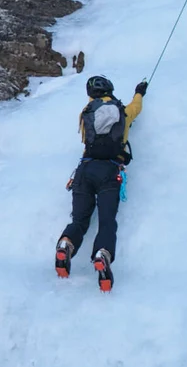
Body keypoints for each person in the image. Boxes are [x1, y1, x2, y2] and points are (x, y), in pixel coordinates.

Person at [56, 74, 145, 291]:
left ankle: (66, 243)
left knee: (79, 220)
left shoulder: (86, 113)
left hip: (85, 170)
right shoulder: (122, 112)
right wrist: (139, 92)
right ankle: (102, 253)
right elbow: (136, 108)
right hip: (109, 171)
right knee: (107, 221)